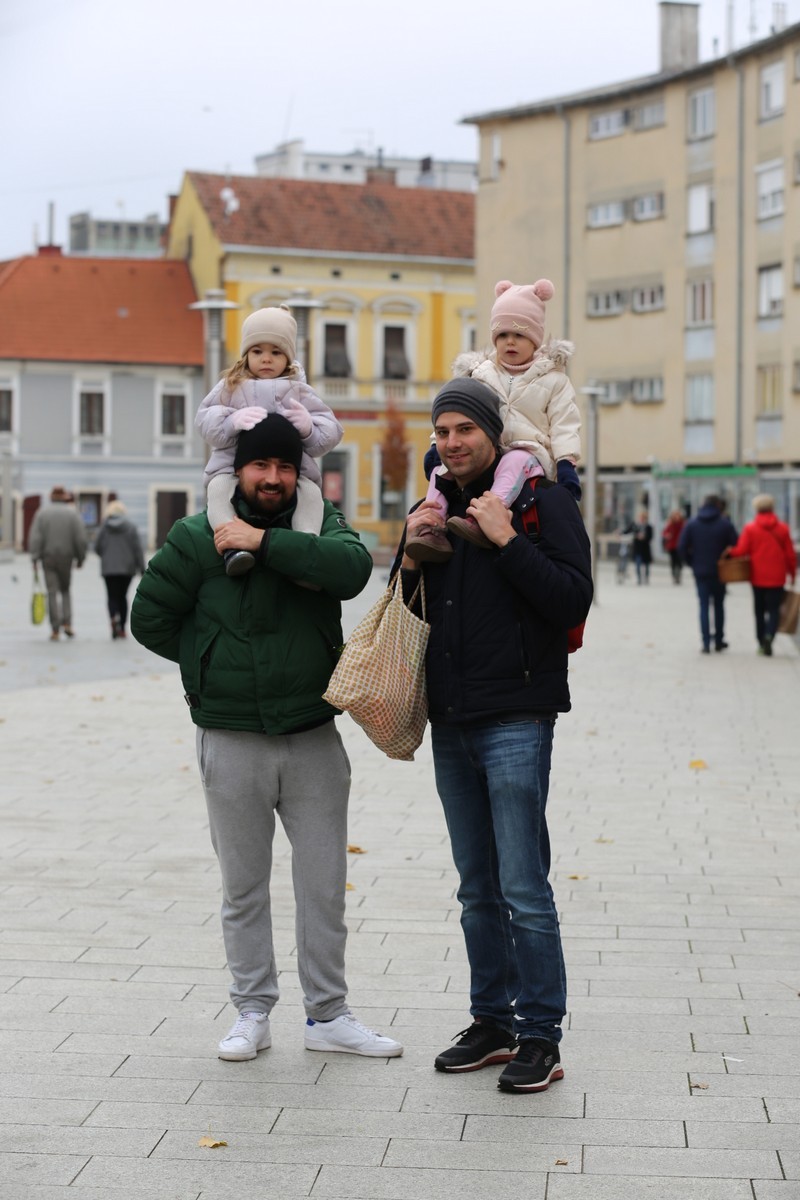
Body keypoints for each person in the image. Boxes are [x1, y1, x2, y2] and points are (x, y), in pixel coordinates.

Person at [130, 414, 402, 1062]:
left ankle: (328, 1015)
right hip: (231, 738)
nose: (273, 476)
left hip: (313, 735)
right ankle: (252, 1011)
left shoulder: (319, 523)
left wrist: (265, 543)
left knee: (324, 886)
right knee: (244, 887)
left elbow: (352, 570)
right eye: (261, 465)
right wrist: (210, 663)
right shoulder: (197, 535)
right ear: (239, 469)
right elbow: (149, 618)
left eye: (284, 465)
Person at [392, 378, 593, 1094]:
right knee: (476, 888)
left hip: (517, 715)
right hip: (452, 719)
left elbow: (572, 597)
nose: (452, 443)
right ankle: (492, 1022)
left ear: (492, 432)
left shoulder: (542, 500)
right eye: (442, 431)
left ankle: (540, 1034)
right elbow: (410, 610)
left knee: (523, 886)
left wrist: (506, 539)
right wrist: (409, 558)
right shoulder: (434, 504)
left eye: (464, 430)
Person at [405, 279, 581, 562]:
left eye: (519, 334)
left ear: (535, 339)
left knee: (514, 461)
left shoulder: (555, 380)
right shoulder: (481, 373)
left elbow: (564, 425)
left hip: (530, 452)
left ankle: (482, 520)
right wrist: (435, 447)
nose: (510, 341)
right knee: (442, 471)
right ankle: (431, 526)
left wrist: (566, 463)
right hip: (488, 450)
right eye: (502, 334)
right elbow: (455, 413)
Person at [195, 305, 343, 577]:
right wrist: (231, 421)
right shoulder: (231, 385)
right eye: (257, 351)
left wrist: (309, 428)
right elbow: (204, 420)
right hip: (231, 464)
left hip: (292, 468)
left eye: (276, 352)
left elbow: (332, 431)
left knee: (311, 496)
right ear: (246, 355)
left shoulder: (299, 390)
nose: (266, 359)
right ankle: (231, 548)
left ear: (287, 357)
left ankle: (304, 552)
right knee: (217, 491)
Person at [723, 494, 797, 656]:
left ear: (756, 509)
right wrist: (792, 574)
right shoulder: (783, 528)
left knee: (759, 610)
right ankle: (770, 635)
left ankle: (761, 641)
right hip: (777, 577)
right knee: (774, 609)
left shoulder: (751, 528)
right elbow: (790, 555)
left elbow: (742, 550)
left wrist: (730, 552)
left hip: (757, 576)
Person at [678, 494, 737, 653]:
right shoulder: (725, 524)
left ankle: (705, 642)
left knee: (703, 605)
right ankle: (718, 640)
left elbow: (681, 547)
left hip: (700, 571)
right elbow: (735, 545)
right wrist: (727, 560)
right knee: (719, 605)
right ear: (718, 505)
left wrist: (692, 562)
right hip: (720, 570)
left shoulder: (692, 523)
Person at [28, 485, 88, 641]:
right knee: (65, 590)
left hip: (48, 558)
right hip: (66, 557)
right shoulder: (72, 514)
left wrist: (34, 557)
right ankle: (67, 623)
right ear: (64, 497)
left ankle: (55, 629)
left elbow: (36, 537)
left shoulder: (42, 513)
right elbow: (80, 538)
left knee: (52, 592)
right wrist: (80, 558)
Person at [93, 500, 146, 639]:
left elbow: (97, 547)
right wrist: (142, 568)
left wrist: (106, 556)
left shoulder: (104, 527)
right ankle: (122, 628)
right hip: (127, 568)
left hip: (109, 568)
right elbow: (138, 549)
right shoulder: (131, 527)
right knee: (122, 597)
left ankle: (113, 617)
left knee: (111, 596)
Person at [662, 509, 686, 584]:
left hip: (680, 545)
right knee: (673, 561)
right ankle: (674, 576)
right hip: (672, 545)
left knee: (679, 561)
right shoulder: (670, 524)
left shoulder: (683, 524)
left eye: (677, 515)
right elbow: (664, 532)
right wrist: (667, 535)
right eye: (675, 516)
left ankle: (678, 575)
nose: (676, 517)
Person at [629, 510, 653, 585]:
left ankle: (646, 577)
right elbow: (628, 531)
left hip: (645, 548)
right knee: (638, 564)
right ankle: (639, 578)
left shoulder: (648, 527)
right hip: (638, 548)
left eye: (643, 518)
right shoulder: (635, 526)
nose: (642, 519)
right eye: (641, 517)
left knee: (646, 565)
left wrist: (644, 537)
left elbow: (650, 537)